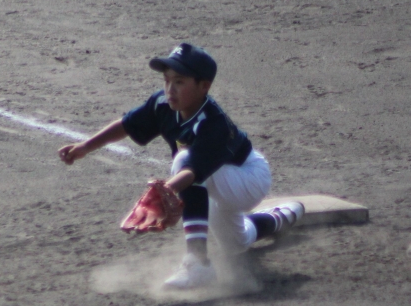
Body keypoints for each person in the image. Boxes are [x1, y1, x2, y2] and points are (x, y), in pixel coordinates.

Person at [58, 42, 304, 290]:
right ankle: (283, 215)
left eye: (179, 82)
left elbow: (191, 171)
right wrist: (86, 146)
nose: (170, 89)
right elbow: (127, 124)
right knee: (236, 244)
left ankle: (198, 263)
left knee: (183, 158)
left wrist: (166, 190)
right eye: (167, 80)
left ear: (204, 86)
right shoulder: (162, 104)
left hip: (248, 178)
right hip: (215, 180)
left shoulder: (213, 124)